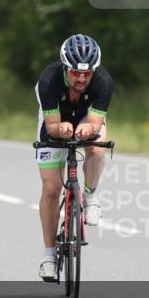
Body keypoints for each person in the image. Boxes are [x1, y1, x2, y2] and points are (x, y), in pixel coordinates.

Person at [33, 34, 113, 282]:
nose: (81, 78)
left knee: (98, 147)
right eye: (76, 73)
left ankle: (90, 196)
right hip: (55, 121)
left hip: (84, 118)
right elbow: (52, 126)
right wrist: (62, 130)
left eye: (87, 74)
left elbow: (96, 123)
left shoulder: (104, 82)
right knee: (50, 189)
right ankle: (48, 256)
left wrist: (88, 130)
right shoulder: (48, 81)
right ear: (65, 68)